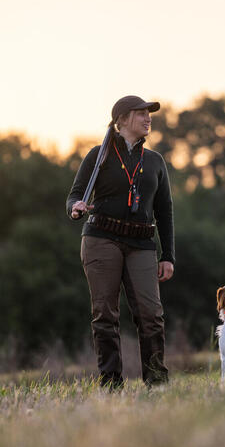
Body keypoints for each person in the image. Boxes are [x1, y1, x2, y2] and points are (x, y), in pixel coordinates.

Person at [67, 95, 175, 390]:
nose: (147, 118)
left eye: (148, 114)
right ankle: (111, 382)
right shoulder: (98, 155)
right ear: (123, 119)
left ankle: (157, 382)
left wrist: (168, 256)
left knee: (151, 315)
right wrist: (76, 206)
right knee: (105, 315)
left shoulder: (154, 161)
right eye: (141, 113)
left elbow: (164, 210)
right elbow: (75, 194)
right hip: (101, 239)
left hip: (141, 243)